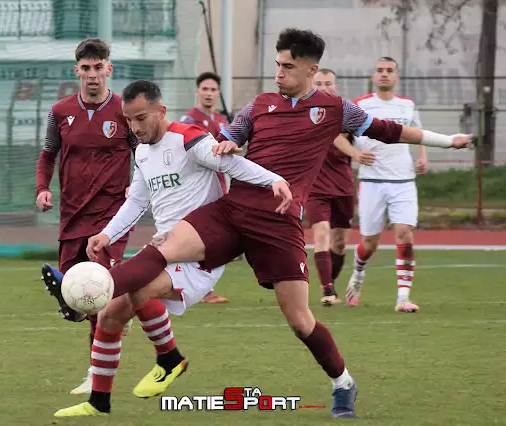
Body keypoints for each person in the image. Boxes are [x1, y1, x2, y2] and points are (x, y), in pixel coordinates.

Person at [57, 28, 471, 419]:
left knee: (300, 321)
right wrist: (227, 144)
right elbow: (230, 138)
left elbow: (390, 131)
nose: (279, 73)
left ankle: (342, 383)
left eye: (287, 66)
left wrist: (446, 141)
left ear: (311, 69)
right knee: (161, 249)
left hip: (279, 225)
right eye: (277, 65)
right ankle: (89, 294)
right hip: (232, 210)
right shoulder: (259, 105)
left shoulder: (336, 109)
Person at [53, 79, 291, 417]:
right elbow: (137, 200)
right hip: (164, 248)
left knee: (139, 289)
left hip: (200, 252)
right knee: (109, 315)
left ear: (161, 111)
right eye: (129, 120)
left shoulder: (188, 137)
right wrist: (106, 235)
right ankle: (99, 403)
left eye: (141, 118)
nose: (135, 128)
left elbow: (229, 164)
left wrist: (274, 179)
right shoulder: (142, 152)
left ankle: (169, 358)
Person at [35, 38, 183, 396]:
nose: (92, 75)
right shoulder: (60, 112)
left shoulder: (123, 111)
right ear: (77, 71)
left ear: (108, 69)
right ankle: (85, 308)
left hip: (111, 216)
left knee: (96, 287)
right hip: (72, 215)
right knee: (80, 293)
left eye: (98, 67)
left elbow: (145, 149)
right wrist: (42, 187)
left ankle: (95, 373)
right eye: (86, 68)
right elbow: (48, 154)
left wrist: (140, 186)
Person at [345, 56, 429, 313]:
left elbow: (419, 135)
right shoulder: (360, 105)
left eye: (389, 70)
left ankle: (403, 298)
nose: (384, 74)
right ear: (373, 76)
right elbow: (338, 137)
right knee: (369, 243)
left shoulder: (407, 106)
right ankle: (358, 271)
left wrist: (422, 156)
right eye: (380, 70)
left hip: (403, 181)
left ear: (396, 77)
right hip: (372, 181)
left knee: (405, 234)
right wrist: (355, 153)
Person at [306, 69, 375, 306]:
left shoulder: (348, 114)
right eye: (319, 83)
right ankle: (327, 290)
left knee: (339, 243)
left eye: (328, 83)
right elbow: (332, 136)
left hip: (343, 186)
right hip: (315, 186)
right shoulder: (305, 112)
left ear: (335, 87)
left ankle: (331, 283)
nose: (323, 87)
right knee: (321, 233)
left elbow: (367, 136)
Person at [180, 72, 234, 303]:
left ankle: (200, 287)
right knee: (197, 237)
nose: (209, 94)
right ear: (198, 91)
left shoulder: (223, 121)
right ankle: (201, 289)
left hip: (218, 187)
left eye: (213, 90)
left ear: (218, 93)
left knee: (214, 238)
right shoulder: (189, 120)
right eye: (205, 89)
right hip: (195, 189)